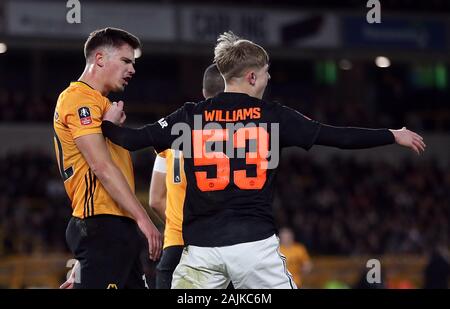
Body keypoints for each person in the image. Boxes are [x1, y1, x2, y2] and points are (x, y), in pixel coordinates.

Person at [101, 31, 426, 289]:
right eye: (267, 72)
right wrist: (390, 134)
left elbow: (132, 140)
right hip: (253, 248)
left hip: (201, 251)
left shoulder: (190, 116)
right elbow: (337, 137)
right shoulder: (273, 117)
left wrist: (106, 125)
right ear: (253, 77)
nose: (269, 79)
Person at [54, 27, 161, 289]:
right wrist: (143, 218)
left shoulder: (103, 108)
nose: (132, 70)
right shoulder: (79, 99)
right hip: (103, 226)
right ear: (100, 59)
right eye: (126, 61)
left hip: (111, 230)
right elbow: (100, 167)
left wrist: (85, 262)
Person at [149, 64, 225, 289]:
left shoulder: (172, 133)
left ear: (203, 92)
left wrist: (178, 226)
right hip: (217, 248)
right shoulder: (235, 135)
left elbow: (154, 199)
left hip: (176, 246)